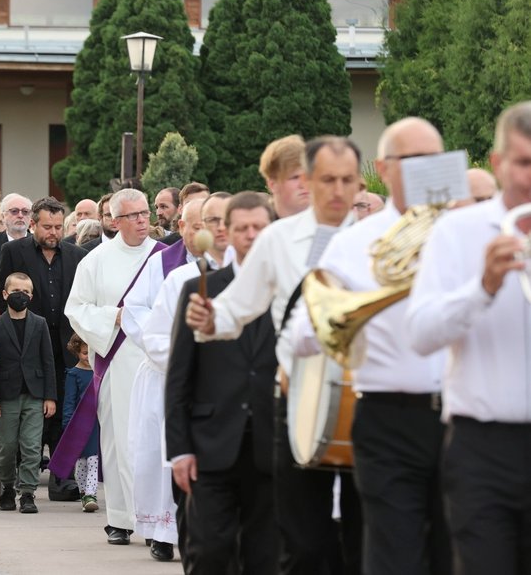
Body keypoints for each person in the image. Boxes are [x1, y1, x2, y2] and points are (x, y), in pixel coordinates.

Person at [185, 137, 364, 574]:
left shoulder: (373, 237)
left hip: (365, 402)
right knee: (303, 542)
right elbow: (238, 306)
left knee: (363, 538)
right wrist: (210, 319)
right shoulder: (277, 239)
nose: (336, 190)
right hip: (297, 398)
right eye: (324, 179)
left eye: (347, 181)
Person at [290, 117, 451, 574]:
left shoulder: (466, 231)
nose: (426, 170)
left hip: (461, 418)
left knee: (456, 553)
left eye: (433, 160)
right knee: (395, 554)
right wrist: (353, 318)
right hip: (388, 418)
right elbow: (304, 332)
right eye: (412, 160)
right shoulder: (351, 242)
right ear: (384, 166)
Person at [407, 102, 531, 575]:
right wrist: (481, 288)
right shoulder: (456, 232)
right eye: (523, 163)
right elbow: (420, 335)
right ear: (498, 164)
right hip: (483, 449)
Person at [165, 191, 278, 575]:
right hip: (211, 445)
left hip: (272, 444)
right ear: (225, 232)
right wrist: (179, 449)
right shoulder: (201, 289)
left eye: (259, 227)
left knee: (264, 558)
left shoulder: (290, 291)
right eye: (241, 227)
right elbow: (179, 375)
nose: (250, 235)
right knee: (209, 553)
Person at [58, 188, 163, 546]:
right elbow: (76, 309)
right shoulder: (96, 261)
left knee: (153, 442)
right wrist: (114, 317)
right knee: (119, 440)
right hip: (117, 360)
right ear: (115, 221)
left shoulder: (165, 258)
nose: (142, 221)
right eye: (133, 216)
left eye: (145, 214)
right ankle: (120, 518)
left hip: (157, 361)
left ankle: (156, 520)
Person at [119, 197, 210, 561]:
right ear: (181, 227)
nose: (201, 231)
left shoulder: (233, 266)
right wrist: (174, 354)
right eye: (193, 224)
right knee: (159, 455)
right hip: (164, 374)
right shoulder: (161, 263)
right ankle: (161, 530)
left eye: (209, 223)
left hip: (211, 380)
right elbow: (135, 311)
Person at [0, 196, 89, 501]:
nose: (53, 232)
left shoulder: (76, 255)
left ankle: (62, 479)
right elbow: (0, 300)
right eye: (47, 226)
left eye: (59, 227)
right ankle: (22, 483)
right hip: (26, 347)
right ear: (33, 224)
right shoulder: (13, 251)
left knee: (64, 412)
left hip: (66, 347)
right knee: (26, 415)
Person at [0, 272, 57, 514]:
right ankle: (6, 487)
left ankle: (27, 492)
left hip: (35, 395)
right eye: (16, 291)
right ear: (5, 294)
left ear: (32, 296)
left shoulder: (39, 323)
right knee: (6, 446)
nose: (21, 296)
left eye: (26, 292)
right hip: (6, 396)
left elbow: (48, 362)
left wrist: (50, 396)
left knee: (32, 446)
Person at [63, 333, 99, 512]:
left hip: (96, 424)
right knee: (81, 462)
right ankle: (84, 491)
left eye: (91, 352)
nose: (88, 357)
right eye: (85, 353)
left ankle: (91, 494)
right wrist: (68, 424)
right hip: (78, 424)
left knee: (93, 459)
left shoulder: (99, 373)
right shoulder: (73, 374)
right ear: (77, 352)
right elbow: (69, 401)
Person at [0, 193, 32, 290]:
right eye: (14, 211)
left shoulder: (39, 244)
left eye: (25, 211)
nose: (20, 215)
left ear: (31, 217)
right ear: (3, 217)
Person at [259, 134, 309, 219]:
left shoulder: (332, 225)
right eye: (295, 177)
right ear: (272, 185)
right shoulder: (257, 228)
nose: (304, 184)